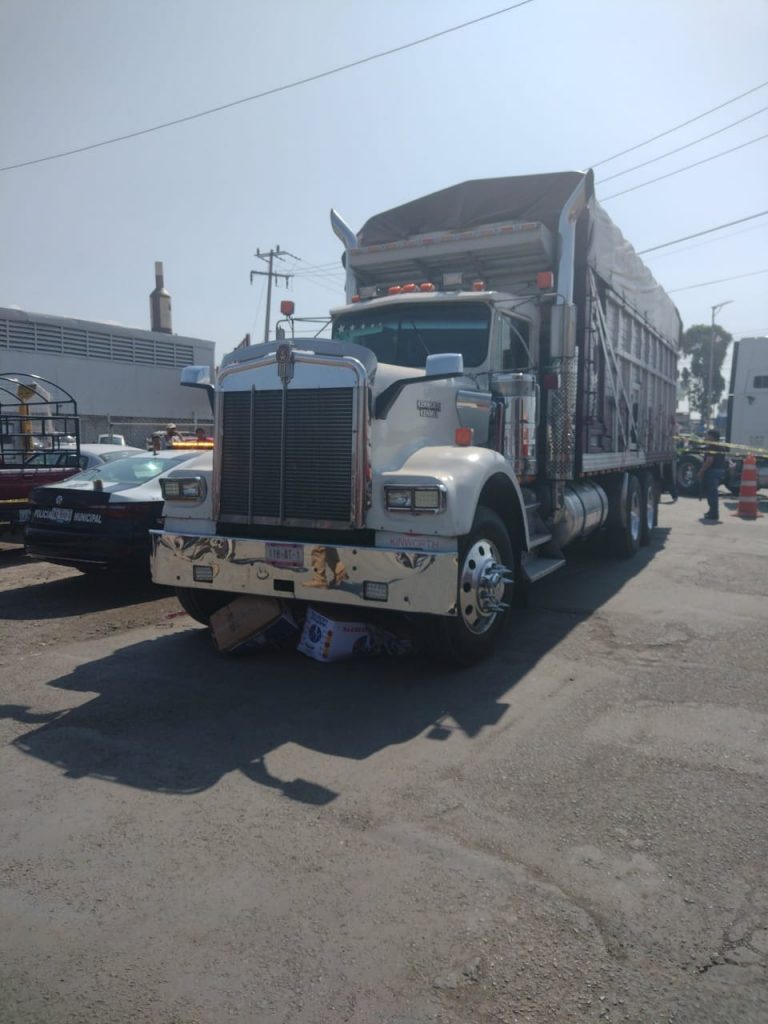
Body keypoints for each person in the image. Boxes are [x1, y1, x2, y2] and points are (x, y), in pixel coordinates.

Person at [697, 428, 726, 522]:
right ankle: (712, 512)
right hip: (720, 470)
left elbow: (709, 461)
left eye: (707, 435)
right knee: (713, 492)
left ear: (712, 437)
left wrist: (701, 471)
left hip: (713, 471)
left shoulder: (712, 447)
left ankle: (713, 513)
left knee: (712, 493)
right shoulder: (721, 446)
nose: (705, 437)